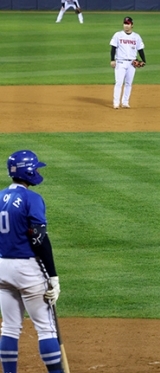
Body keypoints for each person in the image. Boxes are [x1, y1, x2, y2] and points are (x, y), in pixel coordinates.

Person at [0, 150, 62, 373]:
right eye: (34, 167)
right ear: (27, 171)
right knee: (46, 329)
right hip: (27, 270)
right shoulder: (32, 199)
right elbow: (39, 239)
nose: (36, 171)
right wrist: (53, 276)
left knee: (9, 328)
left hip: (2, 268)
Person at [110, 16, 146, 109]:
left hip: (132, 64)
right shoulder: (118, 35)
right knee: (119, 83)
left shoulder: (136, 37)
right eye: (125, 23)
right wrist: (112, 60)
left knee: (128, 83)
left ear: (132, 25)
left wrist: (144, 60)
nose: (126, 26)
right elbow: (113, 48)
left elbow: (140, 50)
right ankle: (116, 103)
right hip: (120, 62)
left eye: (128, 24)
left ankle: (125, 102)